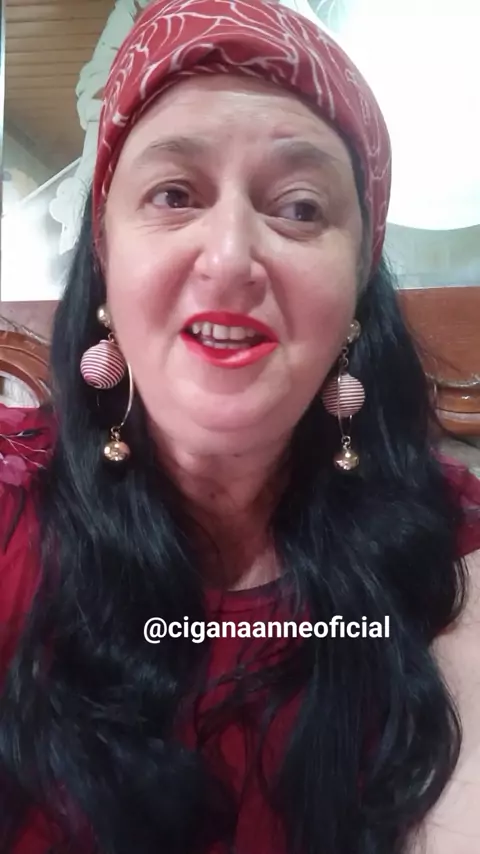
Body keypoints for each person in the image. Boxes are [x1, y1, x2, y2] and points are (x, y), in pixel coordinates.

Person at [0, 1, 479, 852]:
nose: (228, 258)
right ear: (104, 254)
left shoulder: (449, 548)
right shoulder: (11, 519)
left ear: (358, 286)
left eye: (299, 207)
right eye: (173, 194)